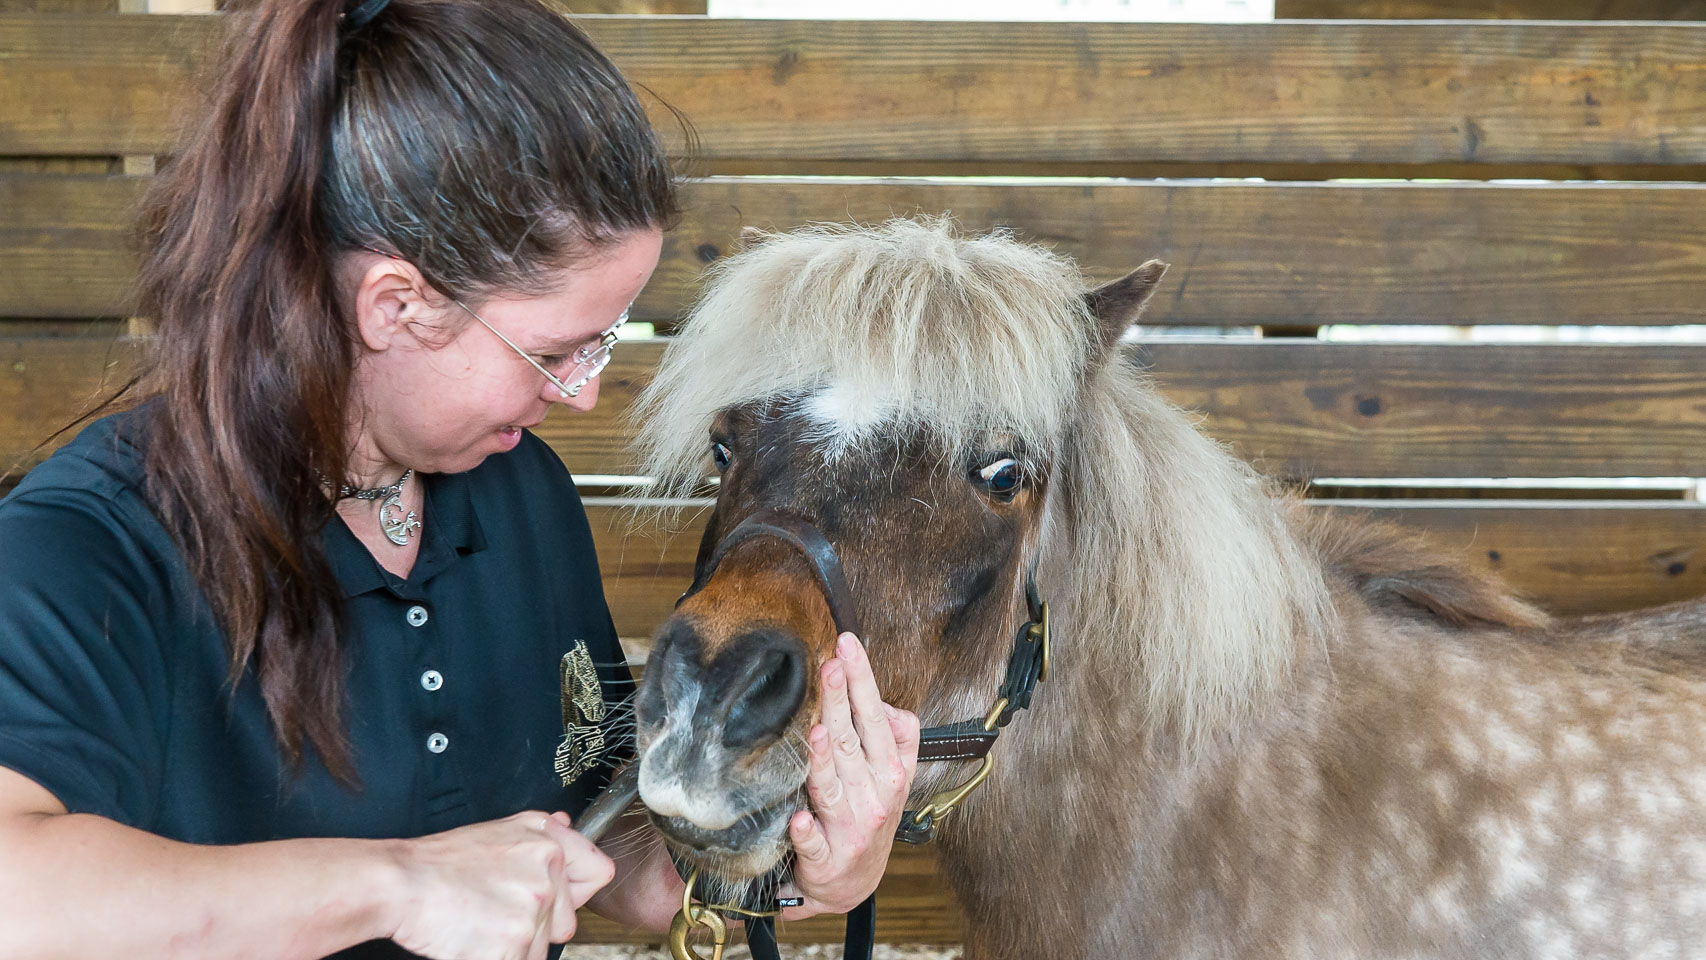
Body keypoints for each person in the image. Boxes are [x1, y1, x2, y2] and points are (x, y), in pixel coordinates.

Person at [0, 1, 920, 958]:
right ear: (396, 307)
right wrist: (399, 884)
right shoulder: (87, 544)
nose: (586, 391)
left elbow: (618, 871)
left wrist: (809, 868)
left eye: (603, 343)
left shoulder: (521, 496)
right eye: (558, 349)